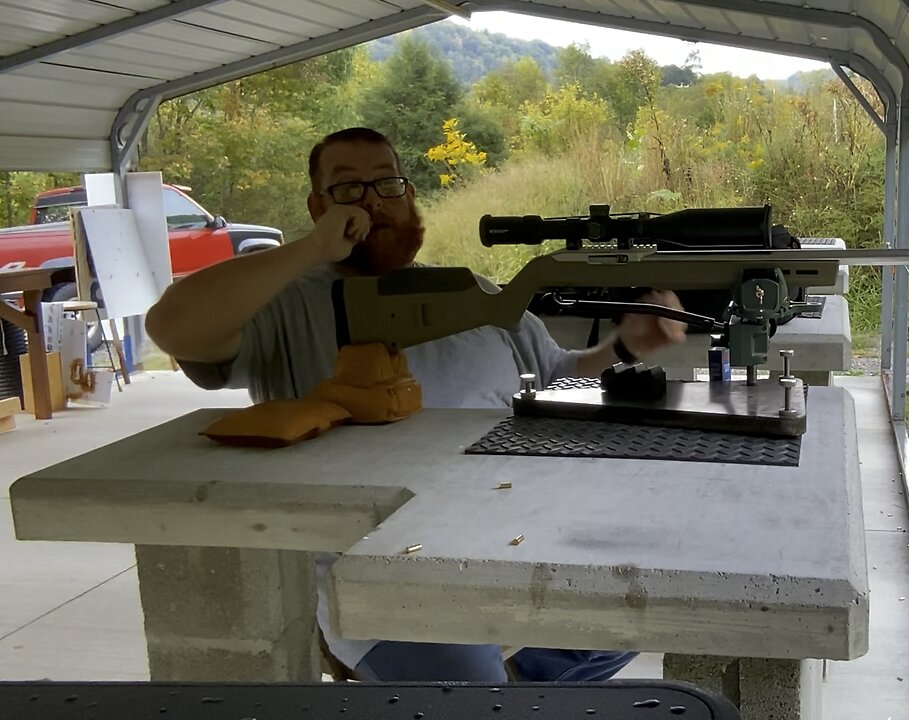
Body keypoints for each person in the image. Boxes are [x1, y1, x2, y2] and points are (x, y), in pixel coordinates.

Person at [145, 127, 688, 682]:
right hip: (384, 580)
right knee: (476, 692)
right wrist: (312, 250)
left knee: (640, 614)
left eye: (387, 182)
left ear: (409, 195)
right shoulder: (285, 305)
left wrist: (623, 346)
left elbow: (553, 381)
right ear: (317, 207)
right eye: (348, 188)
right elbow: (172, 326)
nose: (374, 200)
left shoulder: (474, 294)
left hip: (514, 549)